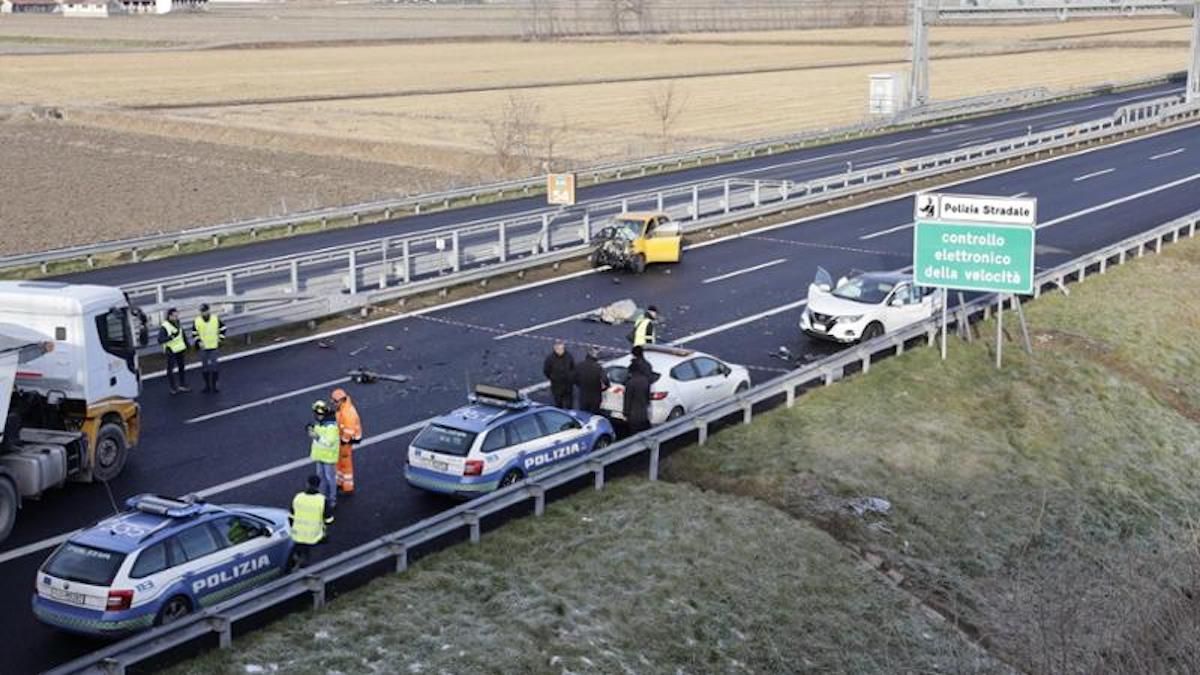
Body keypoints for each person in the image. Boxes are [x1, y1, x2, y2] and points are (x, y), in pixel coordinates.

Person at [307, 400, 339, 522]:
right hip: (320, 455)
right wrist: (310, 428)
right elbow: (316, 429)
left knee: (330, 478)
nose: (316, 416)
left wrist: (316, 437)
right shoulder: (320, 422)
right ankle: (321, 498)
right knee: (321, 477)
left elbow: (329, 442)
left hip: (328, 457)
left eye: (317, 414)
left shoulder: (331, 426)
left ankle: (332, 501)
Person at [289, 474, 326, 568]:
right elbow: (329, 519)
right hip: (314, 535)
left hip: (297, 533)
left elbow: (291, 516)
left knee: (299, 550)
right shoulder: (321, 500)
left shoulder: (298, 497)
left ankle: (297, 561)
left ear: (307, 484)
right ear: (319, 485)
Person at [331, 388, 362, 496]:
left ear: (340, 400)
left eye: (334, 401)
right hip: (343, 439)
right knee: (339, 461)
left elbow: (348, 431)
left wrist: (343, 441)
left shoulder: (347, 413)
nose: (333, 403)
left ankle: (347, 487)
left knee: (345, 463)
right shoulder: (343, 408)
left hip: (346, 441)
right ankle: (339, 481)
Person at [191, 303, 226, 394]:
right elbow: (194, 333)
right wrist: (199, 341)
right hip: (203, 348)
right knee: (205, 367)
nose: (203, 313)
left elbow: (223, 328)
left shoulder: (215, 319)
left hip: (214, 346)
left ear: (208, 310)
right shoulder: (197, 320)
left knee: (215, 367)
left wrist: (220, 339)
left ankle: (214, 386)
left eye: (205, 311)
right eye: (202, 312)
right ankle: (207, 386)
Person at [157, 307, 190, 395]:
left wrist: (187, 344)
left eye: (177, 315)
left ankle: (182, 385)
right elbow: (160, 340)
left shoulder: (178, 323)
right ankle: (173, 387)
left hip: (180, 349)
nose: (176, 317)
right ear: (170, 316)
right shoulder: (165, 326)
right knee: (170, 370)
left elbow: (182, 334)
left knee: (181, 367)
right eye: (175, 316)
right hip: (171, 350)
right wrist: (171, 337)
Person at [574, 346, 609, 415]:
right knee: (593, 416)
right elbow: (606, 381)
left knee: (583, 415)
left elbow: (574, 379)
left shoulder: (580, 365)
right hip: (595, 397)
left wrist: (580, 385)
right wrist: (602, 389)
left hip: (583, 395)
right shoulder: (598, 368)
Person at [542, 339, 576, 409]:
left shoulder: (568, 356)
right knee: (558, 402)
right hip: (557, 385)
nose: (560, 350)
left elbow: (573, 367)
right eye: (559, 349)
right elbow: (546, 370)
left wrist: (571, 377)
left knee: (569, 402)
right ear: (555, 349)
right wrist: (553, 378)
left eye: (562, 348)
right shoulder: (550, 359)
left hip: (568, 384)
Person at [623, 365, 652, 434]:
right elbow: (647, 396)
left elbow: (627, 399)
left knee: (634, 433)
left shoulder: (630, 383)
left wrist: (625, 412)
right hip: (643, 413)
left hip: (633, 415)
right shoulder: (645, 380)